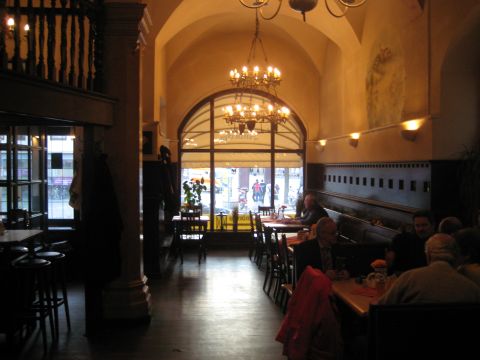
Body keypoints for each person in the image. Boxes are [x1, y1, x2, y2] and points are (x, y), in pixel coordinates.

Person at [378, 233, 480, 305]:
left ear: (428, 256)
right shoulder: (472, 290)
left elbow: (380, 309)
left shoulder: (409, 279)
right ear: (455, 256)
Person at [293, 217, 348, 282]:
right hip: (314, 286)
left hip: (335, 285)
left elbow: (348, 265)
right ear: (321, 234)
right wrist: (323, 274)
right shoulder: (305, 248)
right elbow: (302, 273)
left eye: (337, 232)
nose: (336, 235)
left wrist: (346, 272)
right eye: (333, 233)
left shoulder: (337, 247)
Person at [386, 209, 435, 274]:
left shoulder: (437, 243)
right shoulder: (402, 239)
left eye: (424, 225)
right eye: (417, 226)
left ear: (433, 226)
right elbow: (389, 262)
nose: (421, 229)